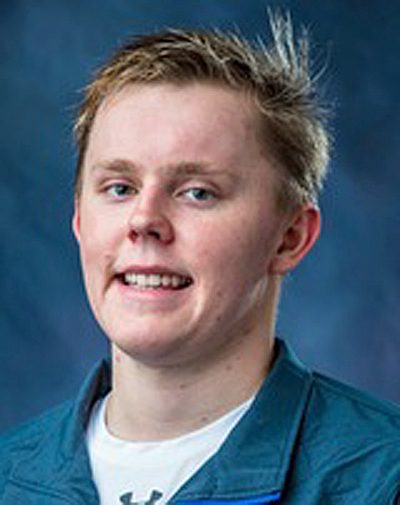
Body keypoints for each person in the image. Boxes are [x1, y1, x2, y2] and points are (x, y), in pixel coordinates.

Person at [1, 13, 400, 505]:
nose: (144, 220)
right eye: (120, 188)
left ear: (289, 238)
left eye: (198, 192)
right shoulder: (9, 476)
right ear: (81, 220)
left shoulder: (382, 479)